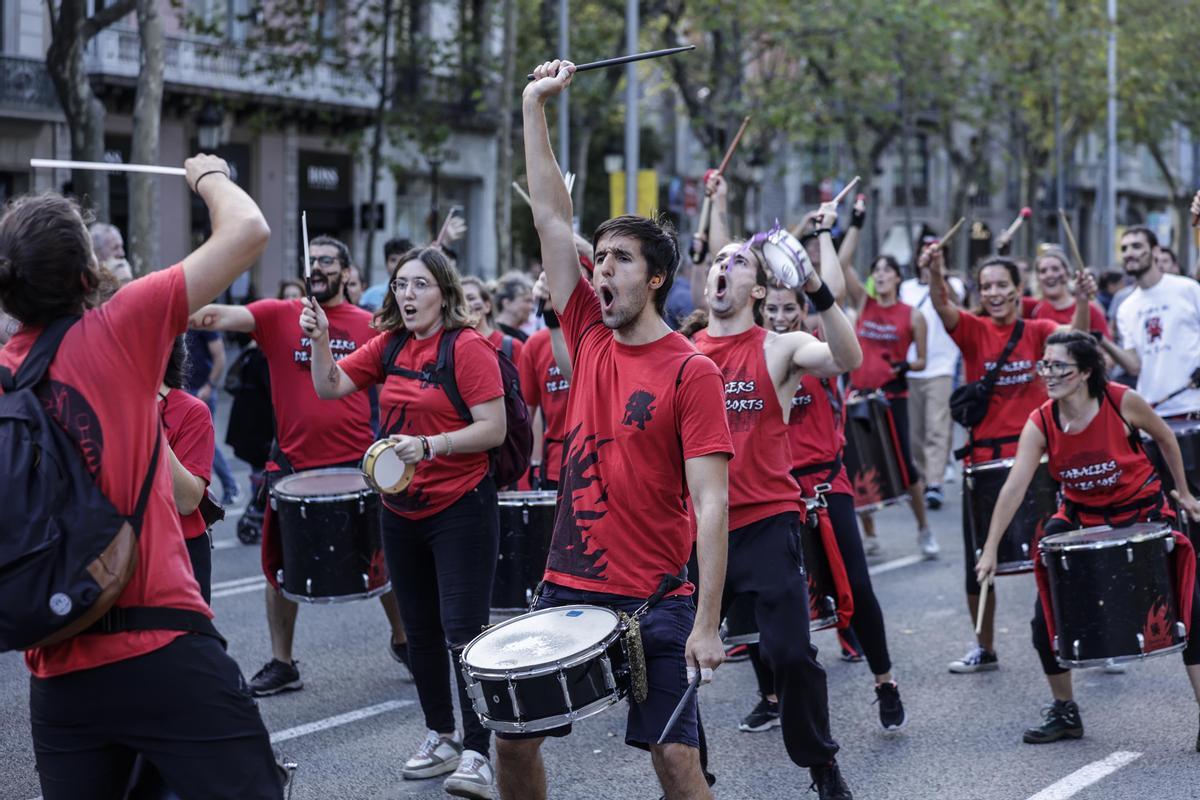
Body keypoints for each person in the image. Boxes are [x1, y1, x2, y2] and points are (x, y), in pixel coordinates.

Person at [1, 158, 282, 797]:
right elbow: (249, 228)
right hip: (162, 648)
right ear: (86, 275)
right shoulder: (122, 326)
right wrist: (209, 175)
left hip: (54, 666)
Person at [496, 59, 732, 800]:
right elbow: (550, 217)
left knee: (673, 760)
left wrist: (708, 623)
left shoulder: (692, 371)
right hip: (569, 584)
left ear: (655, 277)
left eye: (620, 261)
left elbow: (714, 505)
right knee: (512, 741)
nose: (601, 272)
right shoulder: (587, 334)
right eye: (599, 261)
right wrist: (534, 105)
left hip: (658, 597)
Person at [303, 246, 505, 799]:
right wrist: (320, 339)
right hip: (400, 509)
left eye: (419, 285)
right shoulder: (388, 345)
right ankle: (440, 735)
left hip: (462, 506)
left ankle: (477, 752)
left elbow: (494, 428)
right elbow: (329, 387)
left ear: (444, 292)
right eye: (399, 285)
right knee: (420, 633)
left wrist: (428, 445)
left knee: (465, 632)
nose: (407, 295)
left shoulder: (466, 347)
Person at [189, 234, 410, 696]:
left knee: (381, 559)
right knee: (279, 567)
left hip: (357, 463)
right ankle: (282, 661)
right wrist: (171, 294)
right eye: (313, 261)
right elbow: (209, 316)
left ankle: (404, 640)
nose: (320, 268)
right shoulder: (276, 315)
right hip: (292, 466)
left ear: (348, 273)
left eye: (330, 261)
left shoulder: (372, 324)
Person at [692, 207, 863, 796]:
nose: (723, 267)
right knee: (680, 665)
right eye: (718, 259)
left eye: (738, 261)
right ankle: (693, 779)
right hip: (692, 530)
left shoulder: (779, 345)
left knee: (791, 656)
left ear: (758, 288)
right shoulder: (681, 352)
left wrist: (816, 288)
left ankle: (821, 764)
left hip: (765, 521)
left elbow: (847, 360)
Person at [975, 332, 1200, 745]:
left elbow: (1166, 438)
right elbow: (1014, 487)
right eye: (1045, 365)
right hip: (1082, 518)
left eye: (1058, 366)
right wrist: (990, 548)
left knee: (1191, 610)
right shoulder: (1041, 420)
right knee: (1044, 621)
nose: (1049, 374)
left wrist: (1184, 494)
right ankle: (1065, 711)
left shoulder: (1121, 401)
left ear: (1085, 372)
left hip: (1141, 513)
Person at [925, 245, 1088, 673]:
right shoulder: (974, 330)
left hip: (1035, 464)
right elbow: (942, 305)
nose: (994, 292)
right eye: (986, 286)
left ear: (1019, 290)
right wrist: (935, 272)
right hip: (982, 464)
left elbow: (1076, 341)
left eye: (1002, 285)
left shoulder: (1038, 330)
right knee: (979, 560)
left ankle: (1067, 633)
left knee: (1051, 555)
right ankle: (985, 647)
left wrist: (1085, 299)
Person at [843, 254, 937, 557]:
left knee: (905, 465)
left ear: (898, 278)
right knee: (855, 465)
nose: (881, 275)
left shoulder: (912, 315)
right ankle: (869, 533)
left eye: (887, 270)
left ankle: (924, 529)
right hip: (858, 395)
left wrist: (905, 366)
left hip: (892, 398)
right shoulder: (864, 303)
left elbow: (923, 359)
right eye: (877, 270)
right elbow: (844, 266)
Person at [899, 242, 966, 509]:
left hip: (942, 367)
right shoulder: (905, 289)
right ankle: (926, 479)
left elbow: (959, 306)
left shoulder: (953, 285)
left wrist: (939, 274)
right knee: (915, 433)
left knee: (937, 428)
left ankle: (935, 482)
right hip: (912, 368)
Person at [1109, 222, 1200, 418]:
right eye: (1124, 248)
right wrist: (1102, 341)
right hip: (1153, 412)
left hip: (1193, 407)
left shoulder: (1188, 289)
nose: (1129, 253)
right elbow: (1134, 365)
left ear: (1155, 251)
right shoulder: (1125, 308)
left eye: (1137, 246)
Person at [159, 336, 217, 603]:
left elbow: (187, 501)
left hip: (179, 552)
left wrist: (145, 415)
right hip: (122, 552)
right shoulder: (105, 408)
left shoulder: (192, 411)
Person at [185, 329, 239, 505]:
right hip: (183, 392)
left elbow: (220, 356)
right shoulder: (173, 317)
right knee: (192, 445)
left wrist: (209, 386)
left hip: (201, 392)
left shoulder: (201, 320)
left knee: (206, 444)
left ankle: (231, 487)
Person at [1022, 248, 1108, 336]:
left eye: (1055, 269)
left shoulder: (1090, 309)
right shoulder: (1031, 307)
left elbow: (1105, 346)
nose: (1049, 275)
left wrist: (1082, 302)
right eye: (1043, 271)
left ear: (1067, 273)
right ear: (1038, 278)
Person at [461, 276, 525, 364]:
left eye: (471, 298)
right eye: (459, 301)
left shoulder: (513, 347)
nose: (466, 305)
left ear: (487, 306)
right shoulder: (453, 348)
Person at [493, 271, 534, 341]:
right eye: (527, 301)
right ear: (507, 303)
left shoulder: (526, 338)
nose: (531, 307)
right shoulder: (490, 336)